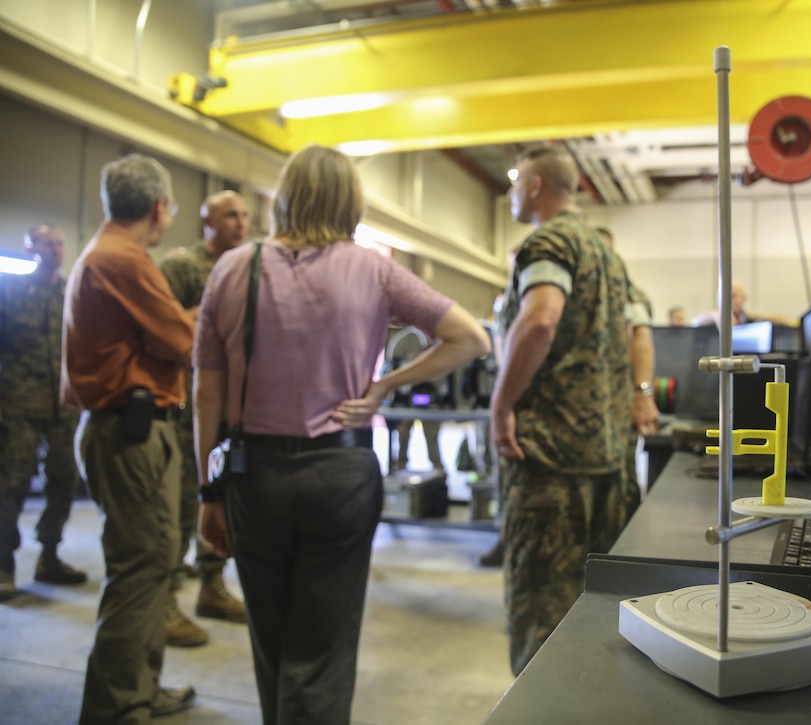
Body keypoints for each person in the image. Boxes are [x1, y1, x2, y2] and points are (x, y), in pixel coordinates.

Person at [194, 144, 490, 724]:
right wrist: (385, 386)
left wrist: (208, 491)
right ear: (349, 201)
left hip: (256, 474)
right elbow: (470, 338)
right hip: (342, 475)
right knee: (324, 647)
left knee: (270, 637)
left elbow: (206, 394)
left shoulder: (234, 267)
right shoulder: (374, 269)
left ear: (287, 197)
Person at [62, 154, 198, 721]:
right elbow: (185, 341)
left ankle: (140, 688)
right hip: (132, 432)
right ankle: (118, 706)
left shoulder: (108, 252)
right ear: (160, 207)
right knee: (141, 569)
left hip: (125, 428)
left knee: (151, 563)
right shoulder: (125, 259)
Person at [491, 145, 631, 675]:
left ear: (533, 186)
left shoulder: (549, 242)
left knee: (541, 622)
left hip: (549, 461)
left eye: (514, 183)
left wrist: (501, 403)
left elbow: (541, 319)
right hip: (604, 458)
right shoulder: (605, 253)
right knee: (590, 618)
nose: (510, 193)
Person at [158, 190, 249, 646]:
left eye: (245, 215)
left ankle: (212, 587)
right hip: (185, 408)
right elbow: (160, 330)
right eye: (230, 215)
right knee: (180, 506)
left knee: (223, 499)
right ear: (207, 221)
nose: (241, 223)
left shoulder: (244, 267)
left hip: (231, 411)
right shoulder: (181, 267)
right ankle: (167, 600)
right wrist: (206, 318)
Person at [0, 224, 87, 602]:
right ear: (31, 247)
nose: (55, 249)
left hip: (64, 405)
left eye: (60, 242)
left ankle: (49, 556)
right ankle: (3, 565)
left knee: (64, 479)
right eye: (48, 243)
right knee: (12, 483)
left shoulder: (73, 293)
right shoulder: (12, 291)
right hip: (19, 403)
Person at [595, 226, 660, 519]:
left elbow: (641, 339)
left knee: (621, 479)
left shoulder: (626, 290)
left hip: (618, 399)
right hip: (589, 403)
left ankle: (622, 547)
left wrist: (642, 394)